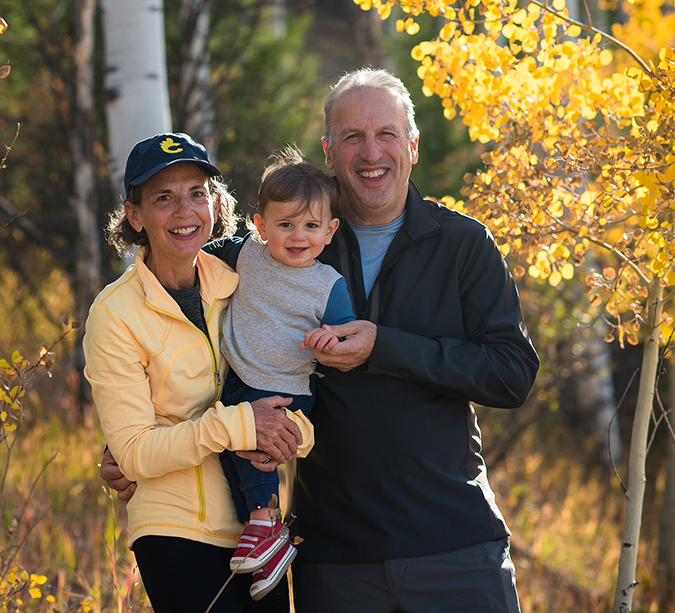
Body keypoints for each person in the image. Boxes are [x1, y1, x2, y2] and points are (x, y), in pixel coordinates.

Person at [102, 68, 540, 613]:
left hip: (454, 547)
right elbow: (188, 319)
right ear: (329, 153)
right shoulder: (280, 246)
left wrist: (384, 345)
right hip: (332, 560)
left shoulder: (462, 243)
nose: (371, 151)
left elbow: (512, 372)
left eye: (386, 133)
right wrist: (135, 440)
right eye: (353, 137)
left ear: (413, 145)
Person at [83, 132, 315, 613]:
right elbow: (133, 455)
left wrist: (294, 431)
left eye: (196, 193)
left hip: (261, 531)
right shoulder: (115, 313)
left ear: (216, 203)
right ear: (135, 215)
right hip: (175, 533)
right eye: (163, 198)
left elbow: (284, 383)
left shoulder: (242, 281)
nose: (184, 211)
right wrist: (241, 424)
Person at [203, 147, 356, 600]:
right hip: (239, 375)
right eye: (285, 224)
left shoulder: (327, 284)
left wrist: (329, 340)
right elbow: (201, 255)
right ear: (260, 225)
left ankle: (267, 525)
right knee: (233, 454)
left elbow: (345, 333)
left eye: (311, 226)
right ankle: (266, 543)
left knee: (256, 449)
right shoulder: (247, 253)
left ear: (330, 232)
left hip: (286, 385)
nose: (297, 236)